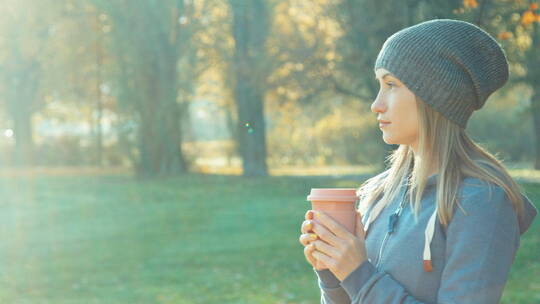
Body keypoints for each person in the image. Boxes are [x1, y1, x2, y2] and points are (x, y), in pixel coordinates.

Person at [298, 19, 538, 303]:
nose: (376, 104)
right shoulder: (376, 193)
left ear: (435, 96)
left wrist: (357, 273)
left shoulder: (480, 203)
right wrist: (332, 270)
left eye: (391, 85)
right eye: (379, 85)